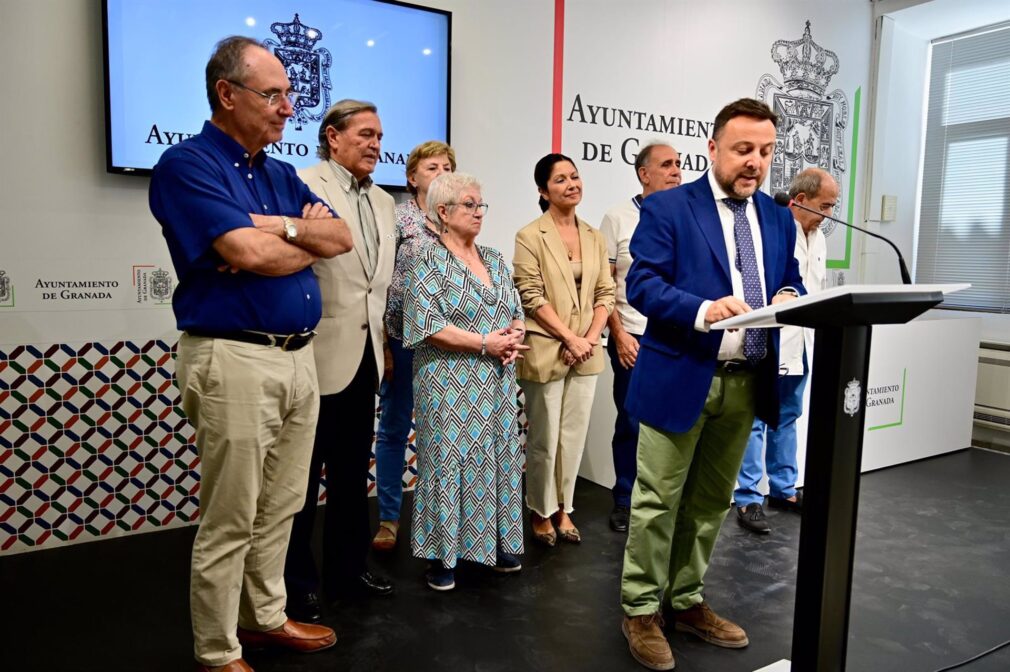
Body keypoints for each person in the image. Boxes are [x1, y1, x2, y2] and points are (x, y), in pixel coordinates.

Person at [149, 36, 350, 671]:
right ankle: (216, 649)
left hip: (299, 357)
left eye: (289, 93)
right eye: (274, 94)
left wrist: (275, 225)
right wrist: (291, 236)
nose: (289, 107)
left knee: (284, 504)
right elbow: (246, 255)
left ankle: (264, 616)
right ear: (226, 94)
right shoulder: (188, 166)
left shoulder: (277, 173)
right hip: (233, 358)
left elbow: (338, 235)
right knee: (232, 515)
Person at [618, 98, 805, 671]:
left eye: (766, 152)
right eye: (743, 149)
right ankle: (641, 610)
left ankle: (687, 598)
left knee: (710, 505)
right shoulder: (671, 207)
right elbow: (642, 285)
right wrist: (703, 309)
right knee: (656, 503)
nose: (755, 162)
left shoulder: (776, 217)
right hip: (680, 374)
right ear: (714, 149)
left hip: (745, 381)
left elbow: (790, 278)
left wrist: (789, 298)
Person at [285, 99, 396, 623]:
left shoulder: (384, 203)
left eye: (379, 136)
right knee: (300, 484)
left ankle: (349, 571)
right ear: (333, 136)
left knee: (352, 477)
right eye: (365, 134)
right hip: (314, 355)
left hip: (366, 358)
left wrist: (387, 348)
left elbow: (376, 288)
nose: (375, 144)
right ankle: (297, 585)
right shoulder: (303, 184)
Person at [402, 172, 528, 590]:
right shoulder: (426, 258)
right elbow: (423, 324)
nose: (478, 213)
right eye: (469, 205)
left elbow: (514, 308)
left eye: (480, 206)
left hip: (496, 378)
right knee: (448, 463)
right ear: (443, 212)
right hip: (447, 378)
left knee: (497, 457)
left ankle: (492, 544)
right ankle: (443, 555)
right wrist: (483, 343)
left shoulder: (493, 257)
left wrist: (514, 336)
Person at [513, 154, 616, 547]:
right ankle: (540, 510)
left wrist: (588, 338)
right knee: (545, 436)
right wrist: (568, 339)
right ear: (543, 190)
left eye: (575, 176)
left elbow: (606, 292)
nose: (571, 184)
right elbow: (531, 295)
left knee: (572, 436)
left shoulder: (594, 235)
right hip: (546, 347)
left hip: (587, 349)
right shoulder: (529, 235)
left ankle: (564, 508)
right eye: (560, 180)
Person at [735, 167, 836, 534]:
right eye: (825, 205)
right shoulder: (775, 229)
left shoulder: (820, 237)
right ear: (802, 199)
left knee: (789, 416)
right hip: (773, 340)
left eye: (834, 205)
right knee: (759, 417)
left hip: (805, 342)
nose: (830, 213)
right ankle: (748, 497)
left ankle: (783, 488)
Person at [372, 141, 457, 552]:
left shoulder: (459, 220)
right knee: (393, 430)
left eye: (447, 167)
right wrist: (385, 346)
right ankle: (389, 519)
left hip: (449, 345)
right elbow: (382, 284)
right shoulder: (397, 218)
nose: (440, 172)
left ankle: (440, 521)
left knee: (439, 436)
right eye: (431, 167)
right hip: (404, 342)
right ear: (412, 177)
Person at [600, 142, 683, 534]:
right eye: (666, 165)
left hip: (677, 336)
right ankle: (624, 496)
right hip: (632, 336)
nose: (676, 171)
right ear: (643, 173)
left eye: (679, 165)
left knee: (673, 421)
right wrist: (617, 334)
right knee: (631, 421)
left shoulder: (688, 216)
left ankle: (664, 499)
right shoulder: (617, 217)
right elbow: (606, 284)